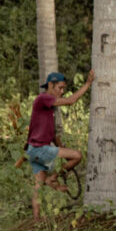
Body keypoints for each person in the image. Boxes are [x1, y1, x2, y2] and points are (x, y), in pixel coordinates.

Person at [26, 70, 94, 220]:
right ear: (50, 85)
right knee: (77, 155)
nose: (62, 92)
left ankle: (36, 220)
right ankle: (53, 178)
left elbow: (53, 135)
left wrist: (62, 147)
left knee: (38, 186)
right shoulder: (43, 98)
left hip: (33, 150)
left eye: (64, 89)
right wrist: (88, 84)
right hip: (39, 148)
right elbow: (70, 101)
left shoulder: (50, 108)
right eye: (60, 88)